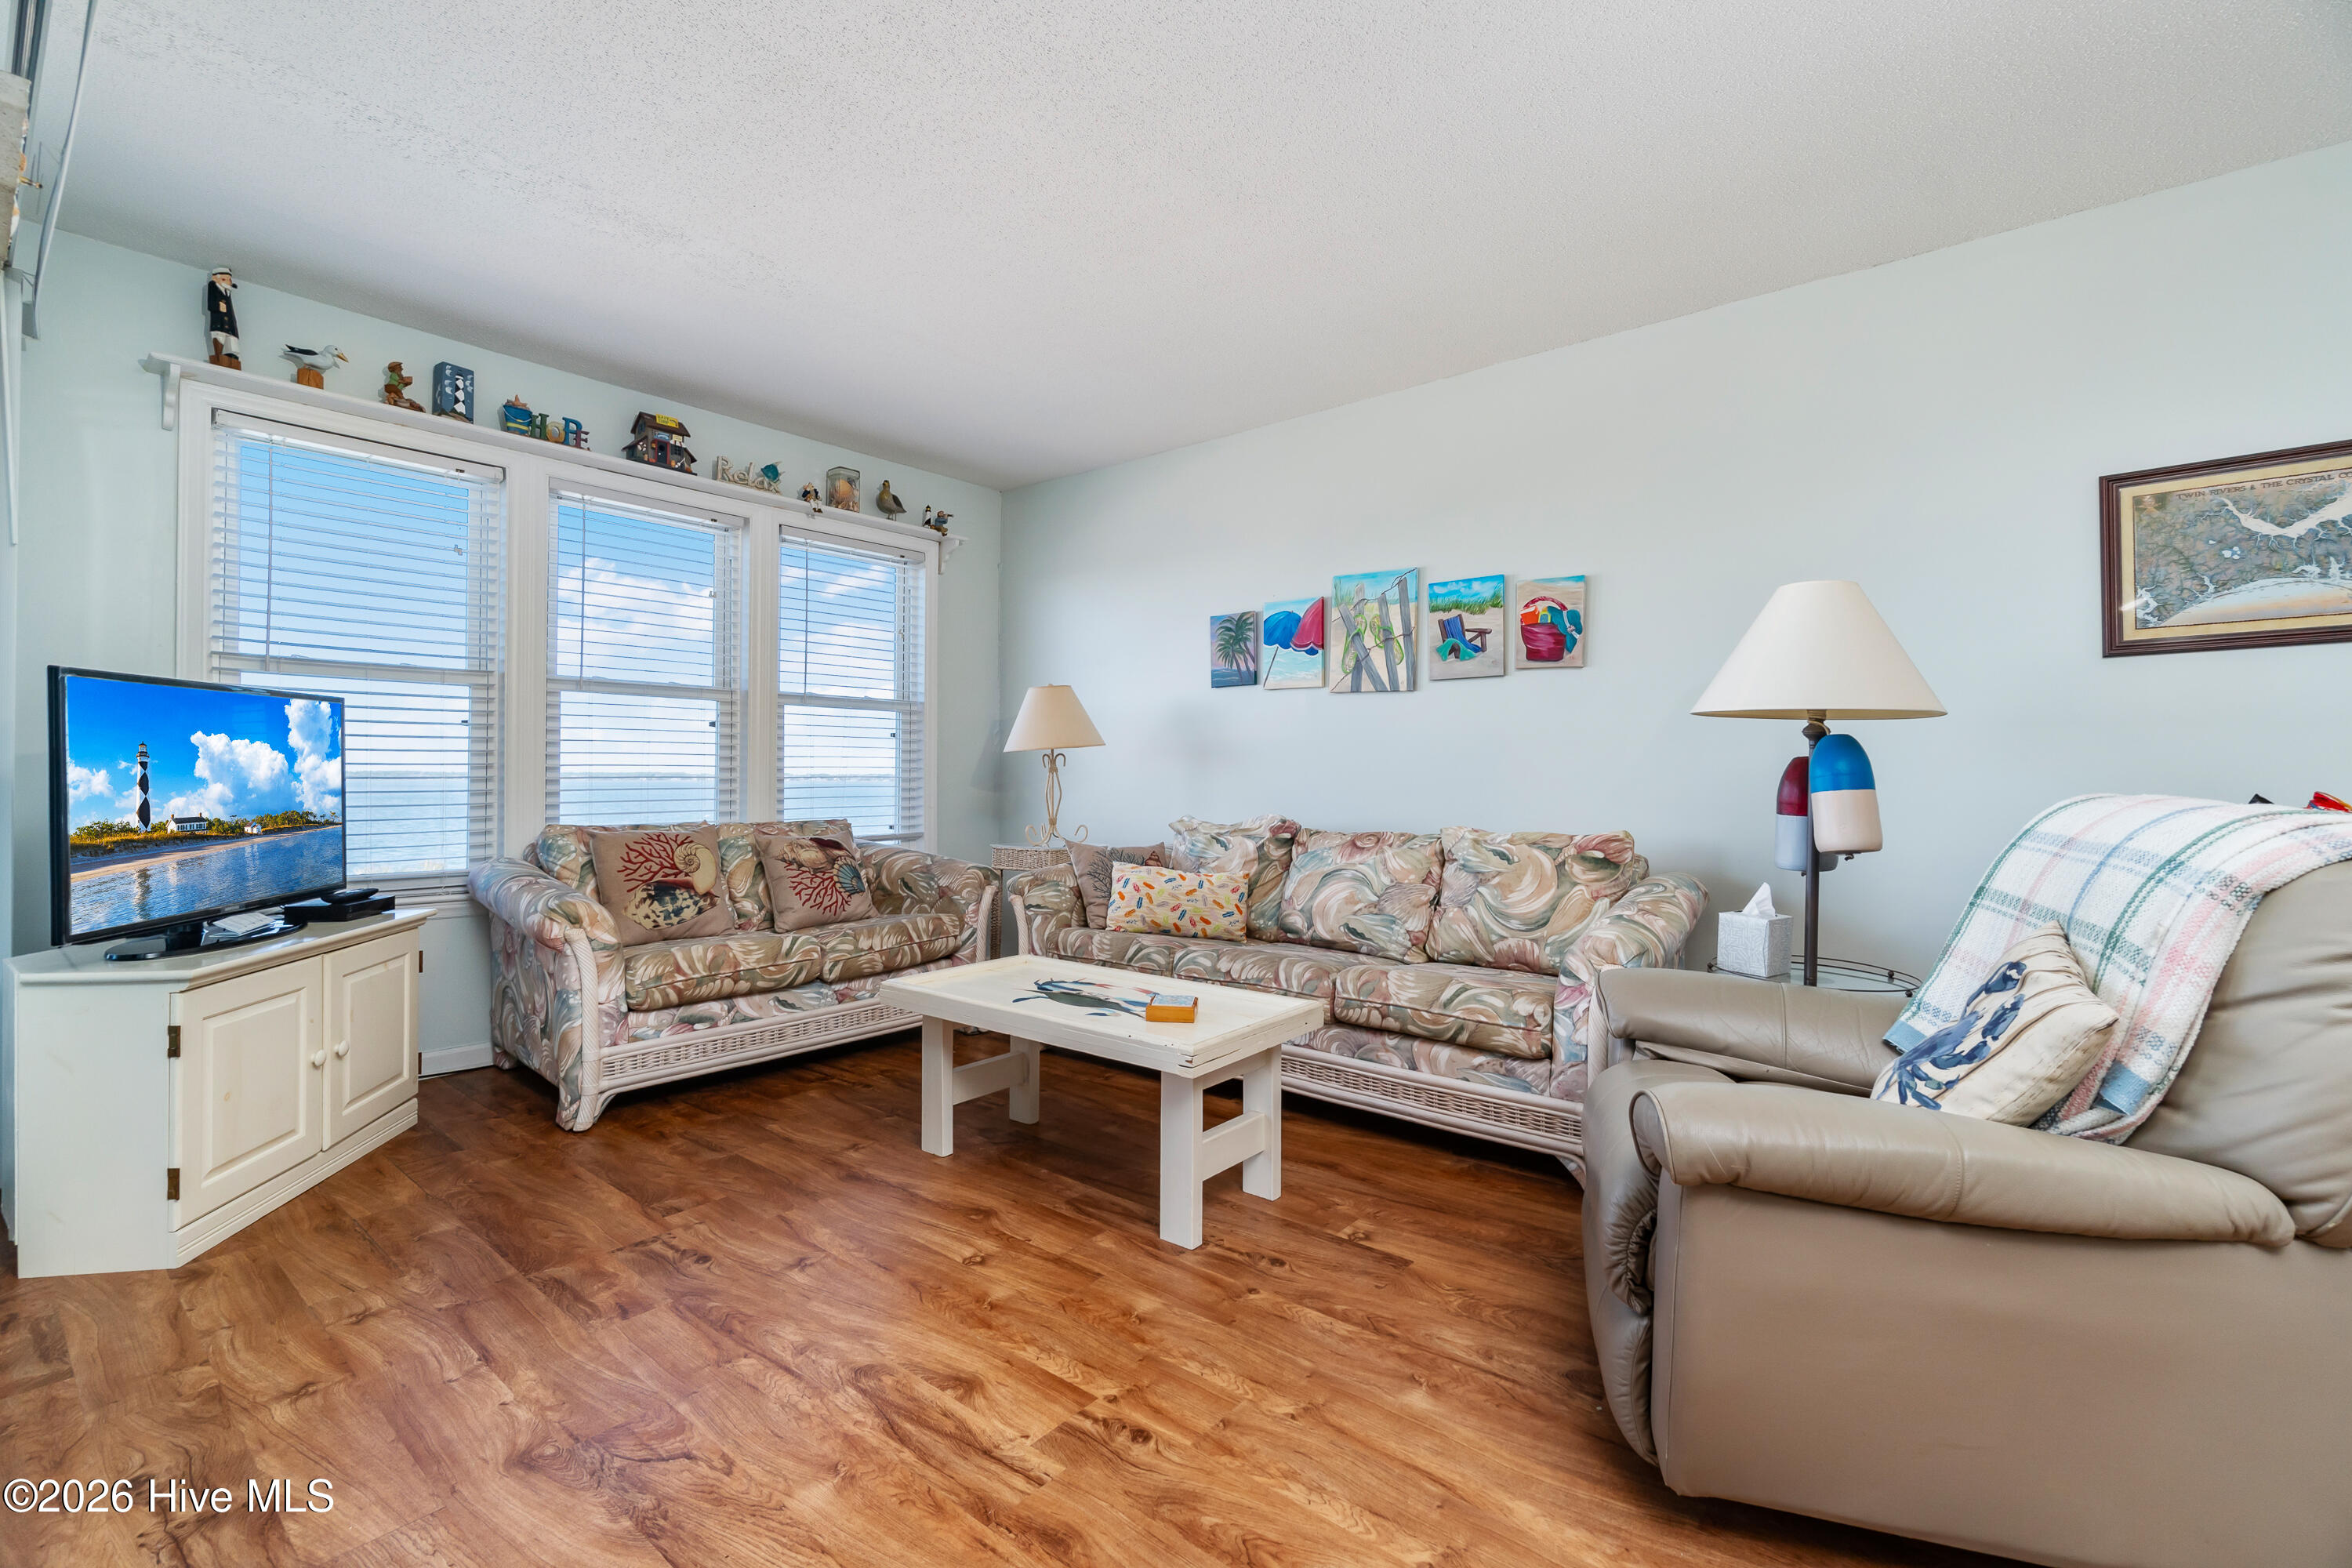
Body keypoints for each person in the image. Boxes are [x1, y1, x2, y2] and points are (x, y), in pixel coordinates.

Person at [205, 268, 240, 368]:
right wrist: (217, 306)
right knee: (219, 338)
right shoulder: (213, 287)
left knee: (232, 342)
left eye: (229, 280)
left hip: (230, 326)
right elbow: (211, 304)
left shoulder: (227, 293)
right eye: (224, 280)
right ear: (215, 279)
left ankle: (232, 356)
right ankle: (219, 356)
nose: (228, 282)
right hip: (219, 324)